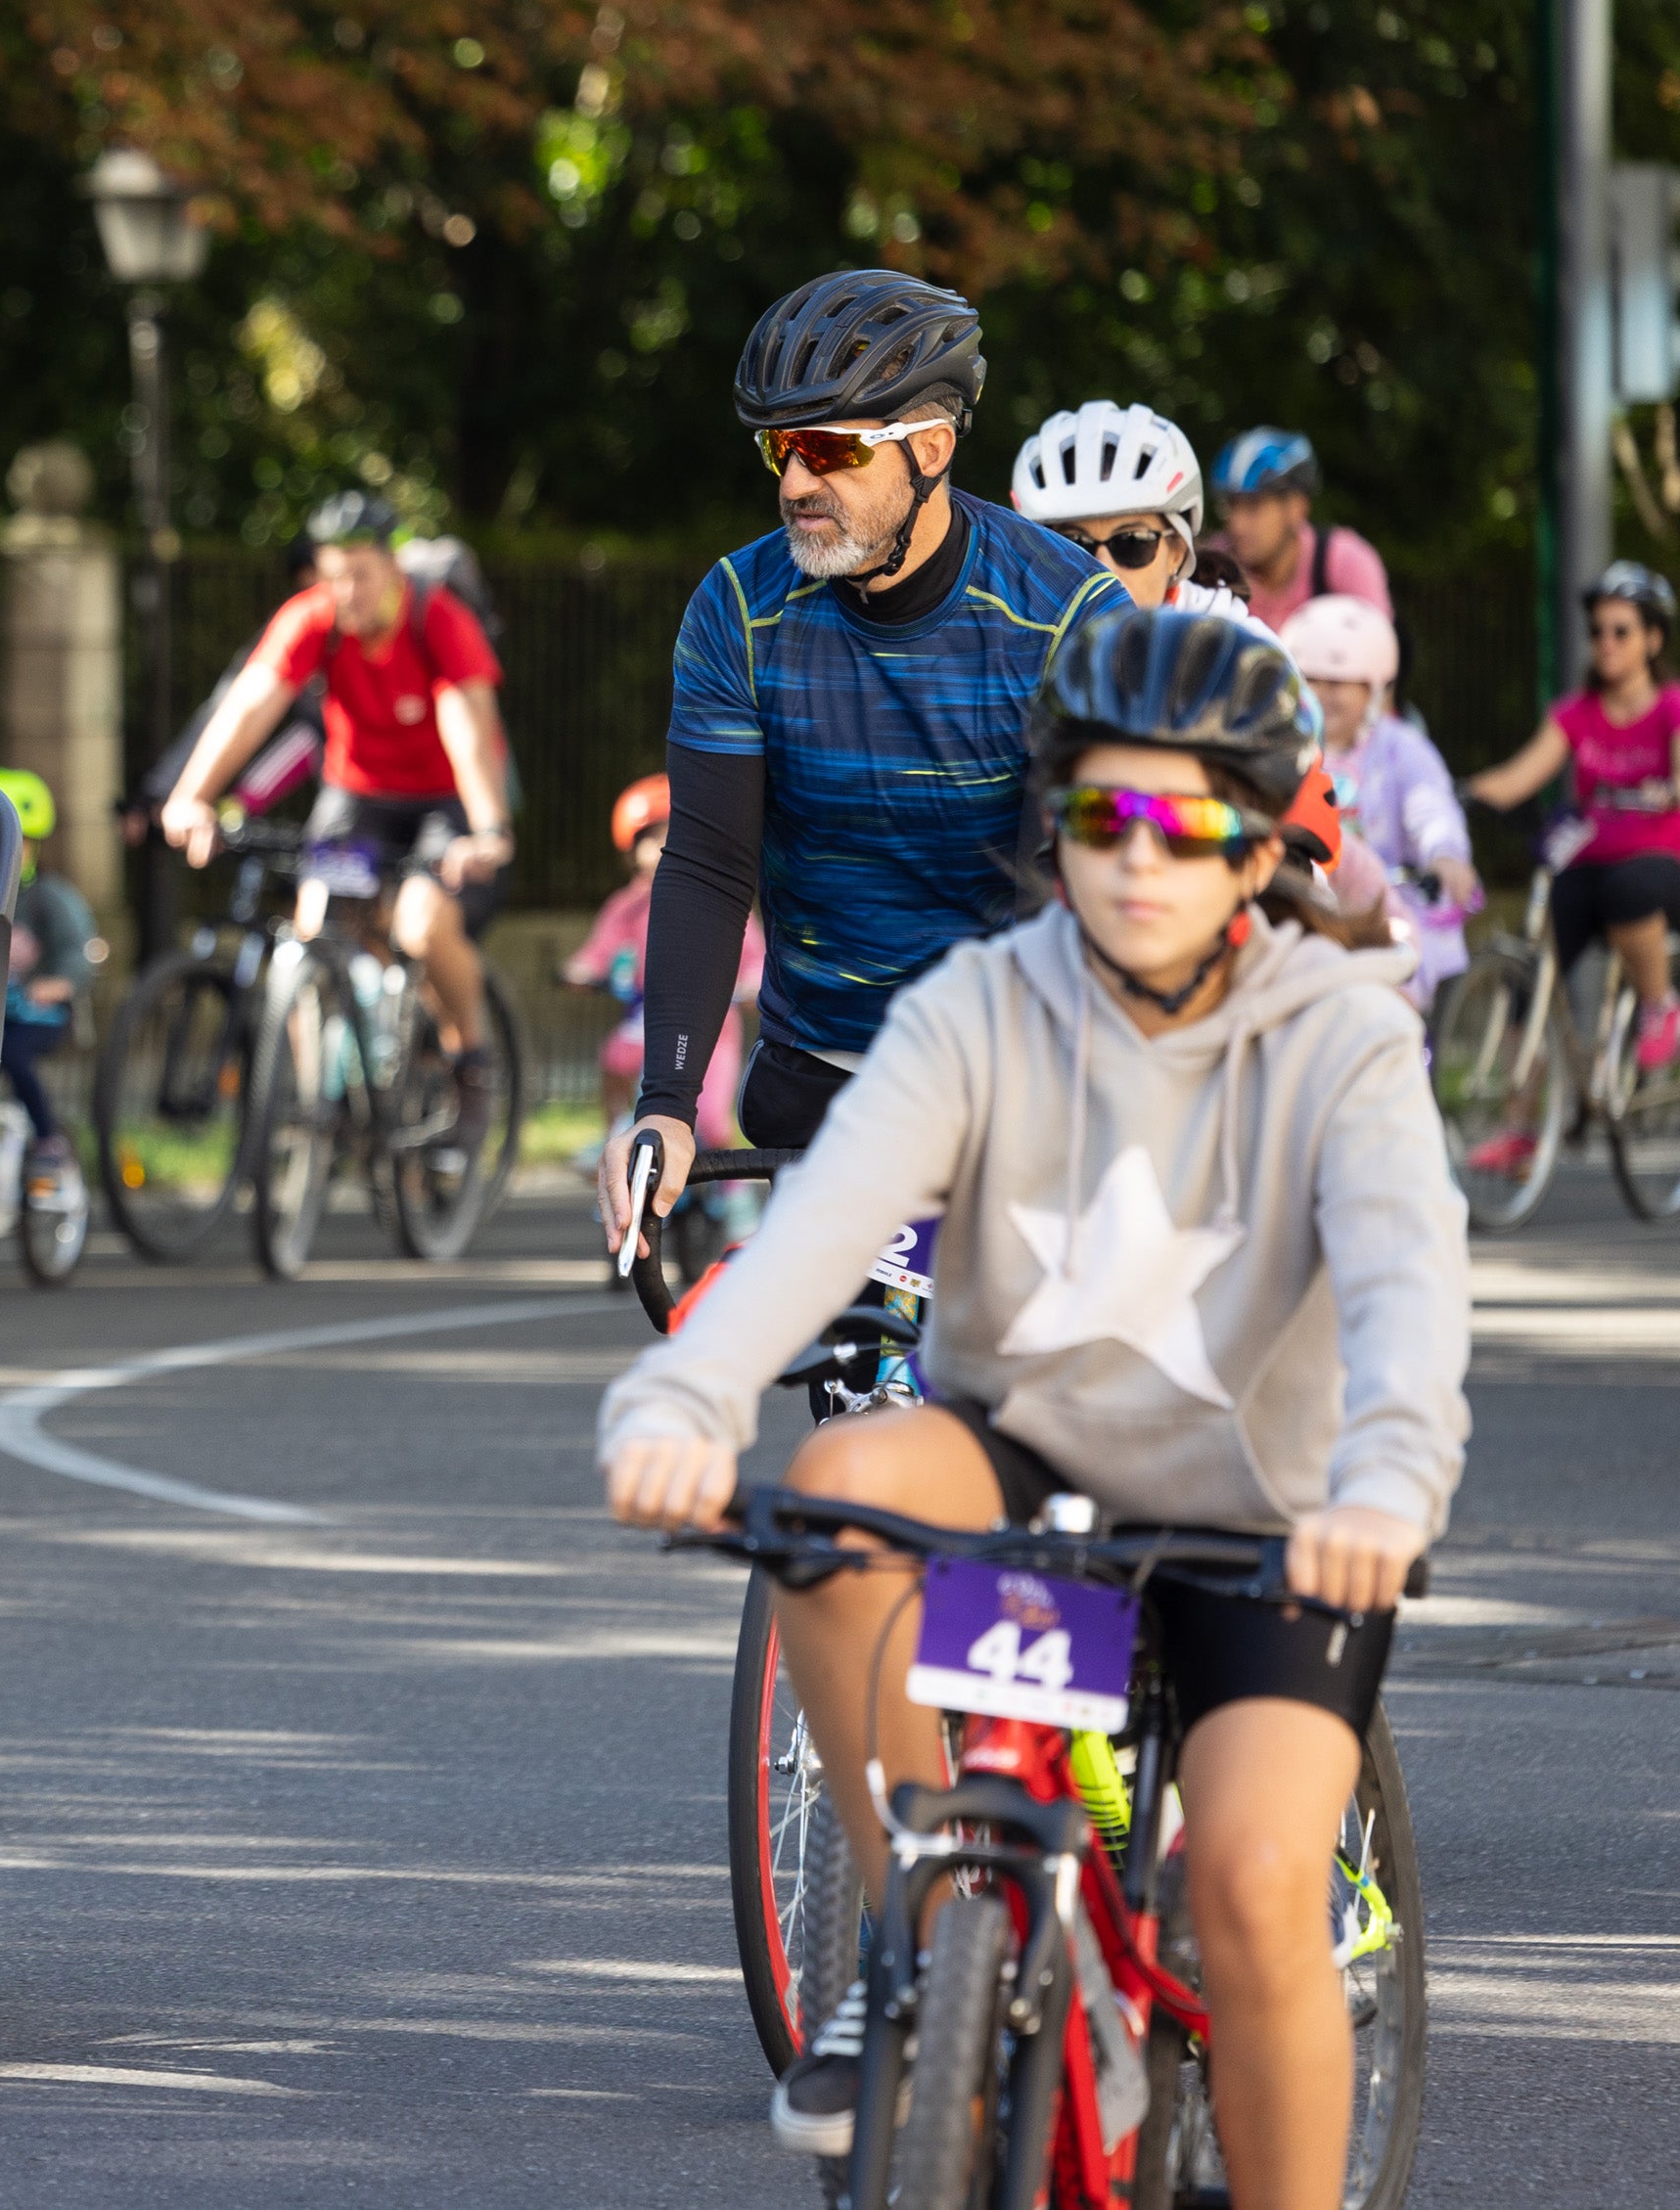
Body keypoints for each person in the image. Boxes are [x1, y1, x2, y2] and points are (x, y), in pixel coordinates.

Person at [600, 609, 1465, 2198]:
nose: (1138, 858)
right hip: (1030, 1478)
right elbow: (826, 1223)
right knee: (844, 1499)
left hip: (1264, 1519)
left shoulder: (1340, 1039)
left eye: (1187, 820)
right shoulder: (982, 1004)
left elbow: (1410, 1293)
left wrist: (1385, 1488)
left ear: (1259, 843)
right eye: (1097, 813)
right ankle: (924, 1936)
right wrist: (687, 1393)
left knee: (1264, 1884)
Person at [602, 267, 1127, 1255]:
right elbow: (711, 864)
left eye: (830, 449)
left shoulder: (1067, 616)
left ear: (929, 449)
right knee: (853, 1400)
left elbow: (1082, 875)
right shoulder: (738, 610)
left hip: (1014, 1079)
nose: (795, 482)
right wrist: (667, 1101)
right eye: (778, 448)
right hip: (819, 1079)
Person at [158, 488, 513, 1067]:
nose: (346, 593)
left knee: (421, 927)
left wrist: (489, 827)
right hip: (361, 795)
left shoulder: (437, 619)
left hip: (445, 799)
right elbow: (249, 707)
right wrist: (190, 798)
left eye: (361, 576)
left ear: (392, 567)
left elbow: (469, 731)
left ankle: (471, 1061)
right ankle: (311, 1108)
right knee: (311, 934)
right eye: (332, 577)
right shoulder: (314, 618)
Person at [1461, 560, 1680, 1081]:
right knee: (1530, 967)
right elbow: (1520, 774)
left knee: (1627, 891)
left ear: (1653, 639)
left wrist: (1672, 791)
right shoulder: (1576, 711)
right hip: (1586, 865)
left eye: (1622, 631)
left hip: (1656, 867)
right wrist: (1462, 792)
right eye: (1597, 631)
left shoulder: (1676, 705)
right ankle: (1523, 1122)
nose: (1606, 642)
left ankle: (1661, 1007)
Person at [1279, 595, 1475, 1013]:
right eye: (1309, 679)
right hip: (1303, 902)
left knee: (1394, 993)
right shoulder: (1281, 747)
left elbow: (1430, 804)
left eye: (1339, 683)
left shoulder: (1400, 749)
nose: (1322, 695)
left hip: (1388, 906)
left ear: (1373, 689)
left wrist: (1444, 853)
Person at [563, 773, 757, 1147]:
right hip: (645, 1021)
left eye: (676, 834)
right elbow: (601, 949)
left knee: (713, 1123)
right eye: (654, 838)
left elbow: (754, 954)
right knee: (615, 1059)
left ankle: (732, 1196)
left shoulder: (721, 901)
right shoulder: (627, 907)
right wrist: (584, 969)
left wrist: (753, 981)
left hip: (711, 1030)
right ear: (632, 849)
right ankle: (614, 1131)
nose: (666, 846)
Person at [1011, 400, 1256, 622]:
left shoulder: (1239, 657)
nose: (1102, 570)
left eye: (1131, 542)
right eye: (1072, 546)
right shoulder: (998, 642)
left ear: (1177, 554)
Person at [0, 766, 94, 1165]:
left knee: (12, 1054)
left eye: (22, 843)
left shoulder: (48, 898)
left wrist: (58, 984)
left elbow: (76, 953)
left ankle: (48, 1137)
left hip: (37, 1015)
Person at [1210, 428, 1394, 633]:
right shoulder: (1212, 567)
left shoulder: (1345, 563)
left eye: (1253, 507)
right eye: (1231, 506)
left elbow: (1376, 652)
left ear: (1297, 507)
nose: (1236, 525)